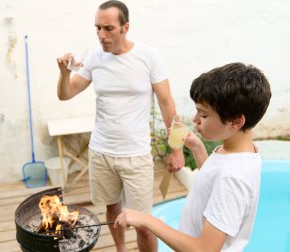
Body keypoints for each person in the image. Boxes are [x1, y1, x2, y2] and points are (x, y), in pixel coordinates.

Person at [56, 1, 184, 251]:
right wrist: (63, 73)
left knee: (144, 224)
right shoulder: (94, 57)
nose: (101, 35)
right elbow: (66, 94)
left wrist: (176, 148)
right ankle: (121, 250)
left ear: (125, 27)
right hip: (101, 151)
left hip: (136, 155)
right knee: (112, 209)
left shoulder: (148, 56)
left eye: (108, 28)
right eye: (97, 28)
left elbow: (167, 103)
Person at [115, 62, 272, 251]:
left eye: (204, 115)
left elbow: (204, 249)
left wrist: (147, 220)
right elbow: (213, 181)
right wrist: (198, 149)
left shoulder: (233, 178)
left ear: (237, 121)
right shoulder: (236, 150)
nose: (195, 119)